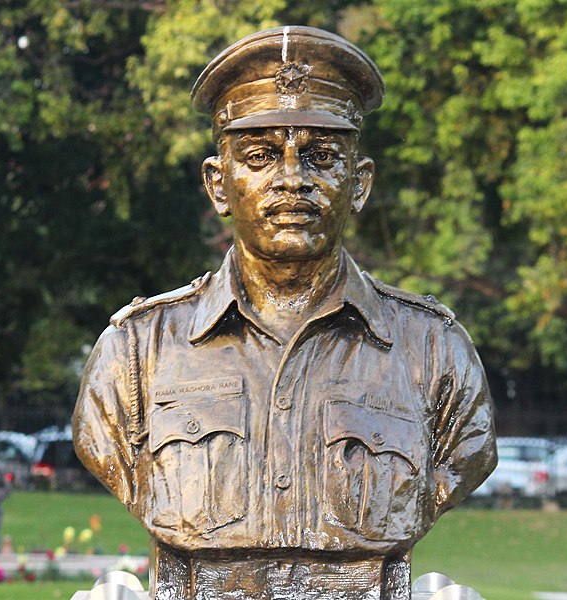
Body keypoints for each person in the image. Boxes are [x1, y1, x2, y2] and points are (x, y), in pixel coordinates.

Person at [74, 26, 496, 599]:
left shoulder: (435, 353)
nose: (292, 180)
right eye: (261, 155)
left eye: (322, 157)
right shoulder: (136, 352)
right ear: (219, 185)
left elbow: (466, 455)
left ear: (360, 184)